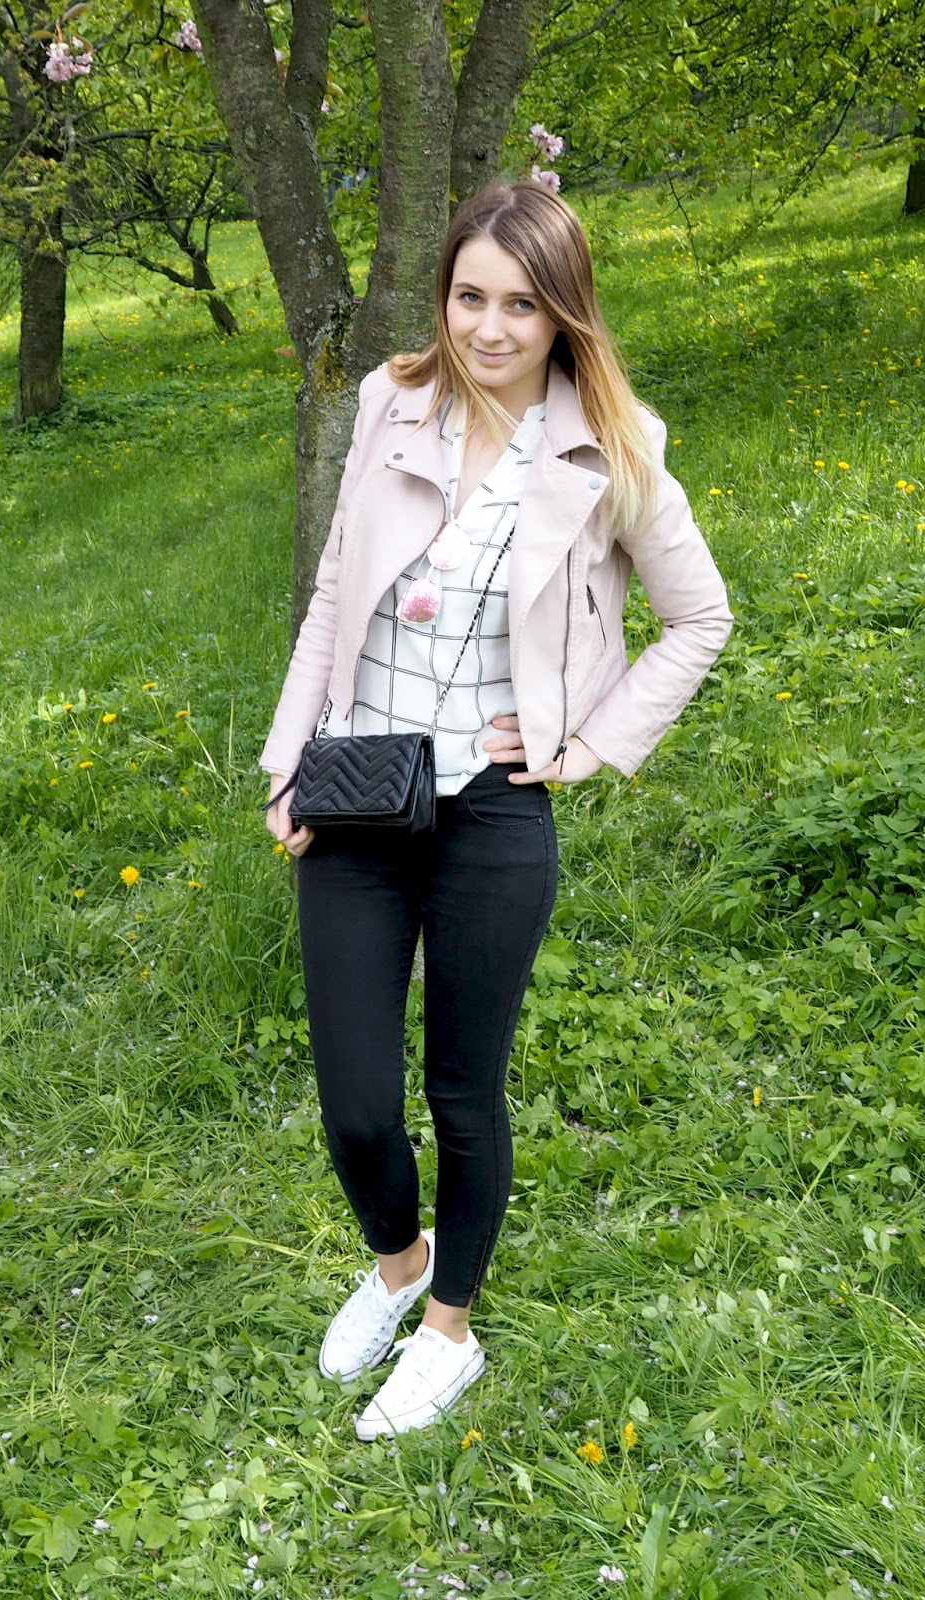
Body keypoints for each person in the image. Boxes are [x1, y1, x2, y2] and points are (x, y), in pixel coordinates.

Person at [260, 180, 731, 1440]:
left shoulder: (614, 447)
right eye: (469, 296)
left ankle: (448, 1333)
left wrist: (584, 742)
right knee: (357, 1101)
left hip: (491, 814)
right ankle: (397, 1264)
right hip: (358, 793)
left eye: (521, 304)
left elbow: (700, 618)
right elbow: (332, 591)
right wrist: (288, 763)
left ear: (564, 313)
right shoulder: (389, 401)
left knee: (464, 1091)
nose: (488, 327)